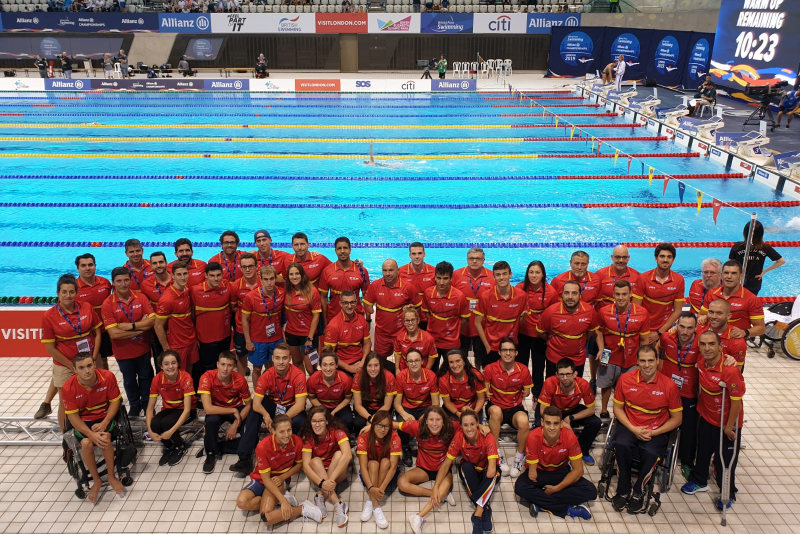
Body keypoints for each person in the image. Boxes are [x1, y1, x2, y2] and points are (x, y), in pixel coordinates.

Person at [611, 345, 682, 514]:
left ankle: (638, 491)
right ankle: (623, 488)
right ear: (637, 362)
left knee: (651, 453)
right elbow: (618, 408)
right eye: (642, 361)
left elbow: (677, 419)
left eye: (651, 360)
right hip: (631, 425)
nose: (647, 365)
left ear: (658, 361)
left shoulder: (669, 386)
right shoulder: (625, 379)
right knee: (620, 444)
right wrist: (632, 428)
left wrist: (655, 432)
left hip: (656, 429)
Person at [680, 331, 745, 510]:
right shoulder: (701, 362)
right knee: (703, 452)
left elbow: (736, 402)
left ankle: (727, 492)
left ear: (720, 346)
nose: (707, 348)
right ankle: (700, 480)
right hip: (707, 418)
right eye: (703, 344)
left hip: (727, 424)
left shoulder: (730, 370)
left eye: (711, 344)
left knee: (727, 458)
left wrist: (729, 428)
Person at [232, 343, 308, 475]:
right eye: (277, 358)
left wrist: (278, 422)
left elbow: (300, 405)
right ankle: (245, 458)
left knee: (300, 421)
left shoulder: (298, 375)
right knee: (255, 411)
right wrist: (266, 415)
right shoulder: (267, 375)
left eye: (284, 358)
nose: (281, 362)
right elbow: (256, 403)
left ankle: (294, 455)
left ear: (290, 358)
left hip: (291, 407)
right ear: (272, 358)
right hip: (274, 406)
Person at [41, 274, 103, 431]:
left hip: (91, 359)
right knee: (66, 401)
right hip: (65, 364)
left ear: (77, 293)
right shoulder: (49, 316)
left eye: (71, 292)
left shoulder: (86, 307)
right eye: (64, 292)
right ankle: (65, 435)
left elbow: (97, 333)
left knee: (95, 395)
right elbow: (50, 348)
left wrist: (93, 359)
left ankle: (93, 428)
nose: (68, 295)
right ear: (57, 293)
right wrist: (72, 366)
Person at [235, 414, 322, 526]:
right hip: (261, 479)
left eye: (289, 430)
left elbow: (300, 464)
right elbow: (266, 479)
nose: (286, 435)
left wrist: (282, 477)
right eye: (282, 432)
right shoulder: (263, 446)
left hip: (280, 480)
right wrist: (282, 500)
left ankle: (302, 508)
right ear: (273, 431)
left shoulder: (297, 442)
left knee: (267, 517)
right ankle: (280, 497)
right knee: (242, 503)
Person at [62, 352, 126, 503]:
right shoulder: (68, 388)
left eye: (89, 366)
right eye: (82, 367)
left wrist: (105, 422)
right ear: (75, 370)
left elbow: (115, 402)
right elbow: (73, 417)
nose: (87, 371)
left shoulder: (107, 377)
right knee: (86, 443)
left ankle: (111, 476)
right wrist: (90, 434)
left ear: (95, 364)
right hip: (83, 422)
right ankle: (97, 480)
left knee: (105, 438)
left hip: (104, 416)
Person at [515, 405, 597, 520]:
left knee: (591, 491)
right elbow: (532, 474)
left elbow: (578, 470)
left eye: (556, 423)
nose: (552, 427)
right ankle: (567, 509)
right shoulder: (533, 437)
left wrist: (557, 488)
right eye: (548, 423)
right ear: (542, 422)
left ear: (562, 424)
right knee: (520, 487)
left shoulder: (570, 437)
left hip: (561, 472)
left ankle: (539, 502)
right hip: (540, 472)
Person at [425, 409, 498, 534]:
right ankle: (485, 508)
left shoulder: (487, 436)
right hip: (471, 469)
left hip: (487, 470)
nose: (469, 428)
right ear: (461, 426)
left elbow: (491, 471)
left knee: (492, 474)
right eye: (465, 425)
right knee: (466, 466)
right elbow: (446, 464)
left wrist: (478, 509)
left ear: (478, 424)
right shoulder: (459, 437)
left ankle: (478, 514)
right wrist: (436, 487)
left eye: (472, 424)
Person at [101, 267, 156, 417]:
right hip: (122, 352)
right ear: (113, 283)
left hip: (143, 348)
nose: (123, 284)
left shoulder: (141, 297)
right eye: (119, 281)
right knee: (129, 380)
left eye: (126, 280)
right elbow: (114, 333)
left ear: (131, 280)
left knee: (146, 377)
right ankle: (134, 405)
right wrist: (140, 328)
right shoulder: (107, 304)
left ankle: (147, 404)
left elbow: (152, 321)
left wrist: (131, 326)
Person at [393, 407, 458, 533]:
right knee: (401, 482)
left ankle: (418, 517)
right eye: (431, 420)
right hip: (424, 469)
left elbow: (469, 425)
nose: (434, 424)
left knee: (446, 484)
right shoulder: (417, 426)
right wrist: (372, 425)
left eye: (438, 420)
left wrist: (482, 427)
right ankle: (440, 495)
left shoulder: (452, 426)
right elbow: (393, 424)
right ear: (426, 421)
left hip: (443, 469)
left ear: (444, 421)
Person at [596, 280, 650, 420]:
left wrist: (642, 359)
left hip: (631, 355)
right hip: (608, 353)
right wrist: (601, 349)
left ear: (630, 294)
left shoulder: (642, 313)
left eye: (624, 294)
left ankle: (625, 412)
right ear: (613, 294)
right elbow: (598, 332)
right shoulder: (604, 311)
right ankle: (603, 410)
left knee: (629, 386)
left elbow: (644, 339)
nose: (621, 297)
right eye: (618, 294)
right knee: (605, 383)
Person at [658, 312, 700, 480]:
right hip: (667, 392)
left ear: (696, 329)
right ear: (676, 326)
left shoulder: (701, 343)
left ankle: (687, 462)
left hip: (689, 394)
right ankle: (660, 455)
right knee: (662, 424)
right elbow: (656, 349)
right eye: (681, 327)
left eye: (690, 328)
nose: (685, 332)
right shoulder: (667, 339)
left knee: (688, 431)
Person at [536, 358, 601, 465]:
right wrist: (561, 422)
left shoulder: (583, 385)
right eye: (561, 375)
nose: (565, 378)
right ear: (557, 374)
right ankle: (543, 452)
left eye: (568, 374)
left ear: (575, 374)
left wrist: (571, 418)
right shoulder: (550, 383)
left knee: (595, 422)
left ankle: (581, 451)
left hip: (572, 410)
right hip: (552, 411)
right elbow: (543, 411)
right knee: (539, 424)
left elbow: (591, 410)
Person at [484, 337, 532, 477]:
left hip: (515, 408)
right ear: (499, 352)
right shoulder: (490, 369)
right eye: (504, 350)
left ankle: (519, 457)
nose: (508, 353)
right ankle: (496, 453)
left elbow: (527, 391)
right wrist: (486, 391)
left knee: (524, 422)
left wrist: (526, 392)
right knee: (495, 411)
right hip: (496, 406)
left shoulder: (523, 370)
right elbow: (484, 388)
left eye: (511, 350)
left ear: (516, 353)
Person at [363, 259, 421, 374]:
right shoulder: (375, 285)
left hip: (401, 332)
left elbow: (418, 306)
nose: (387, 274)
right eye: (384, 271)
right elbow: (367, 302)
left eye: (391, 270)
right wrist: (369, 311)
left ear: (398, 271)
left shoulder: (407, 287)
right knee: (380, 361)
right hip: (382, 333)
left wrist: (409, 315)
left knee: (404, 362)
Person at [198, 351, 252, 474]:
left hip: (236, 408)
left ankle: (244, 458)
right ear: (217, 364)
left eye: (229, 365)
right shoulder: (206, 377)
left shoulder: (240, 380)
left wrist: (236, 423)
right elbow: (208, 409)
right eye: (222, 364)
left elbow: (249, 405)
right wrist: (232, 410)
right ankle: (211, 453)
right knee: (211, 420)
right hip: (217, 409)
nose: (225, 369)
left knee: (249, 426)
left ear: (234, 367)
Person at [537, 280, 603, 379]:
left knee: (575, 389)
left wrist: (580, 341)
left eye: (574, 293)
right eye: (567, 293)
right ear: (562, 295)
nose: (570, 297)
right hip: (555, 357)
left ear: (580, 296)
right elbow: (541, 332)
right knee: (552, 387)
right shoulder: (550, 312)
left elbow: (592, 332)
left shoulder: (589, 311)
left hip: (578, 358)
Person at [301, 406, 352, 527]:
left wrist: (328, 482)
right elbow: (305, 466)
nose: (317, 425)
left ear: (327, 421)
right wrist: (321, 482)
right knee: (314, 461)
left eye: (320, 421)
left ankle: (321, 494)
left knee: (340, 454)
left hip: (337, 472)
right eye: (314, 421)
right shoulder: (308, 437)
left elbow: (348, 455)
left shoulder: (337, 431)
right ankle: (338, 503)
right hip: (319, 473)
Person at [145, 350, 196, 467]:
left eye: (173, 363)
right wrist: (150, 431)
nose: (170, 366)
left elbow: (187, 409)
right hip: (169, 409)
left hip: (186, 410)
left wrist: (171, 431)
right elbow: (149, 408)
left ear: (178, 364)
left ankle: (180, 447)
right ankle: (169, 447)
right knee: (155, 424)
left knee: (167, 423)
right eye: (166, 364)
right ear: (161, 366)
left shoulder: (186, 378)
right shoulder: (157, 379)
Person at [474, 261, 529, 367]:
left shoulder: (521, 296)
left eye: (504, 274)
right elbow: (477, 323)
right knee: (489, 378)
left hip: (511, 346)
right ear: (493, 276)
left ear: (510, 274)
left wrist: (524, 317)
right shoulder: (485, 296)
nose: (501, 277)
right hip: (492, 346)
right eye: (498, 275)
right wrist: (487, 346)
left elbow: (521, 321)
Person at [516, 260, 557, 397]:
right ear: (527, 274)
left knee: (538, 368)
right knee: (521, 366)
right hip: (522, 334)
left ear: (543, 275)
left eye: (537, 272)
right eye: (531, 272)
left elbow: (553, 316)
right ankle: (518, 393)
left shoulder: (550, 292)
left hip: (540, 336)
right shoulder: (519, 288)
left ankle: (537, 395)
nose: (534, 275)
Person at [356, 409, 401, 530]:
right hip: (370, 471)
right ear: (373, 425)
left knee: (386, 462)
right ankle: (375, 506)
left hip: (388, 474)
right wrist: (371, 488)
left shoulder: (394, 437)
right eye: (380, 425)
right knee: (373, 464)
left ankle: (371, 500)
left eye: (386, 426)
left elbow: (392, 468)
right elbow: (363, 467)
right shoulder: (363, 437)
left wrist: (380, 489)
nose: (383, 429)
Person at [241, 265, 285, 387]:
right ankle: (258, 395)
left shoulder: (282, 293)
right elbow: (244, 320)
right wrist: (248, 341)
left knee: (272, 368)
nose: (269, 282)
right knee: (256, 369)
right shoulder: (251, 297)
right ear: (260, 279)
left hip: (276, 338)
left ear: (276, 278)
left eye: (272, 279)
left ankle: (271, 392)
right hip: (257, 340)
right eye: (266, 279)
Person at [699, 260, 765, 341]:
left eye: (734, 273)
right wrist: (703, 318)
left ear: (741, 276)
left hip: (734, 345)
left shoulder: (751, 299)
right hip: (711, 342)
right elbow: (701, 315)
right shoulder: (711, 294)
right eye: (726, 273)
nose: (729, 276)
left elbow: (761, 328)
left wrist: (745, 332)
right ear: (721, 275)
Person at [394, 348, 439, 466]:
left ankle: (425, 447)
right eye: (410, 361)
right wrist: (405, 415)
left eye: (416, 360)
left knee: (431, 421)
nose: (414, 364)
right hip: (407, 408)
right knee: (402, 423)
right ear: (406, 363)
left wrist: (426, 415)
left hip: (426, 407)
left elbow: (435, 403)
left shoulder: (431, 376)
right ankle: (405, 447)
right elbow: (397, 403)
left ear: (422, 361)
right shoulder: (401, 377)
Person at [154, 262, 199, 381]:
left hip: (190, 340)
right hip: (177, 344)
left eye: (185, 274)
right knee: (177, 375)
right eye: (179, 274)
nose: (183, 277)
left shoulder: (186, 290)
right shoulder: (167, 299)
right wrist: (166, 348)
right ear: (172, 276)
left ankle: (189, 397)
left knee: (190, 369)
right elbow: (158, 326)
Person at [420, 261, 470, 369]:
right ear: (435, 277)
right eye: (439, 278)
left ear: (451, 279)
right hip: (432, 341)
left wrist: (455, 331)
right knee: (431, 373)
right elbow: (427, 313)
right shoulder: (428, 293)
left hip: (451, 343)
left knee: (452, 373)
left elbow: (465, 320)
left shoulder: (459, 297)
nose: (442, 282)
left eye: (445, 278)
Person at [453, 248, 495, 369]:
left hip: (482, 327)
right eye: (472, 258)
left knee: (480, 358)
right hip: (462, 326)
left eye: (478, 258)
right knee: (461, 358)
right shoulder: (457, 275)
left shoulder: (492, 276)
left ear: (483, 260)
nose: (475, 261)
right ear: (467, 260)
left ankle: (478, 377)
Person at [639, 243, 685, 345]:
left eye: (669, 257)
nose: (665, 260)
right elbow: (636, 308)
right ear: (656, 259)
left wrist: (659, 332)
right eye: (662, 256)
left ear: (673, 260)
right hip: (643, 328)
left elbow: (677, 311)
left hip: (664, 329)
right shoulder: (643, 278)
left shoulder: (679, 280)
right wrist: (644, 331)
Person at [192, 262, 232, 378]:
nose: (216, 279)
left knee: (224, 365)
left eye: (218, 275)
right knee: (209, 368)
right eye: (212, 275)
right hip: (206, 338)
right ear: (205, 275)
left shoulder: (226, 286)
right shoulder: (196, 291)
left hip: (225, 335)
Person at [75, 252, 113, 371]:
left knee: (103, 360)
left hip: (104, 330)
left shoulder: (105, 283)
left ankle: (105, 383)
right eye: (84, 265)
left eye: (90, 265)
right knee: (85, 362)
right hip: (86, 332)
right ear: (78, 268)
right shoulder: (74, 288)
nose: (88, 268)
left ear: (95, 266)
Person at [318, 236, 370, 321]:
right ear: (335, 251)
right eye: (339, 248)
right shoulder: (327, 271)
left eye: (345, 248)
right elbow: (323, 297)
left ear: (350, 250)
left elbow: (367, 297)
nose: (342, 251)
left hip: (356, 317)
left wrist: (368, 320)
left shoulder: (362, 271)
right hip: (333, 317)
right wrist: (324, 321)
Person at [728, 220, 785, 296]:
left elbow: (729, 264)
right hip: (755, 282)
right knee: (750, 303)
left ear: (745, 233)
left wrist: (734, 274)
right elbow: (781, 261)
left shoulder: (738, 246)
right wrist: (763, 272)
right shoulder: (765, 248)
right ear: (761, 234)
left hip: (738, 280)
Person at [285, 262, 322, 374]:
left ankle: (314, 389)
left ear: (302, 275)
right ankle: (302, 389)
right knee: (296, 363)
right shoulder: (286, 290)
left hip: (308, 335)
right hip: (292, 334)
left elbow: (316, 316)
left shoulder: (312, 291)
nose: (294, 277)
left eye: (297, 273)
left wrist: (309, 339)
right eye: (291, 274)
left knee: (311, 368)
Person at [323, 289, 371, 376]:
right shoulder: (333, 326)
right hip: (343, 364)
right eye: (346, 303)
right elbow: (329, 354)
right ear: (340, 304)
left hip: (361, 360)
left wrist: (363, 363)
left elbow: (367, 343)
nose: (349, 306)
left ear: (356, 302)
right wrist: (349, 368)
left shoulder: (361, 319)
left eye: (352, 302)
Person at [307, 351, 354, 432]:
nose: (328, 368)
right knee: (309, 421)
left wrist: (334, 412)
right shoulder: (312, 379)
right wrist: (324, 411)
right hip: (320, 406)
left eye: (331, 364)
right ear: (320, 366)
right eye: (325, 365)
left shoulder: (346, 380)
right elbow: (312, 398)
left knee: (348, 420)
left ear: (336, 365)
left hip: (339, 407)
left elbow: (347, 399)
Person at [230, 253, 260, 376]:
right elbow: (233, 307)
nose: (247, 270)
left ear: (257, 267)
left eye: (250, 266)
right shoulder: (236, 286)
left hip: (260, 328)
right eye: (244, 267)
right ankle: (241, 385)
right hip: (242, 328)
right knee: (242, 358)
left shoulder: (264, 282)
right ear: (240, 268)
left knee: (267, 359)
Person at [352, 352, 396, 430]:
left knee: (382, 425)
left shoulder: (389, 377)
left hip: (382, 408)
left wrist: (375, 419)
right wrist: (369, 418)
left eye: (376, 365)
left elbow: (387, 405)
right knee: (359, 424)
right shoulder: (358, 377)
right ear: (365, 367)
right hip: (364, 408)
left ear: (381, 366)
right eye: (369, 365)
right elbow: (358, 405)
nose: (373, 369)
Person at [438, 348, 486, 420]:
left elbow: (481, 399)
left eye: (458, 361)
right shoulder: (443, 380)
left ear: (464, 361)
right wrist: (458, 414)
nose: (455, 365)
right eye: (451, 362)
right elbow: (447, 403)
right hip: (453, 411)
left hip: (473, 409)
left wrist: (474, 413)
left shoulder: (476, 375)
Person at [699, 299, 747, 369]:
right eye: (711, 312)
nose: (714, 316)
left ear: (728, 316)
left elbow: (735, 373)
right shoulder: (700, 327)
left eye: (719, 313)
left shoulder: (737, 341)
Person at [393, 305, 438, 371]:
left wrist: (426, 371)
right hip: (404, 370)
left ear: (418, 320)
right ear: (403, 322)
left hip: (421, 370)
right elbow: (397, 353)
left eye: (413, 320)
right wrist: (397, 369)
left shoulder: (428, 338)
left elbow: (432, 356)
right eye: (407, 320)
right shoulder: (399, 338)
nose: (410, 323)